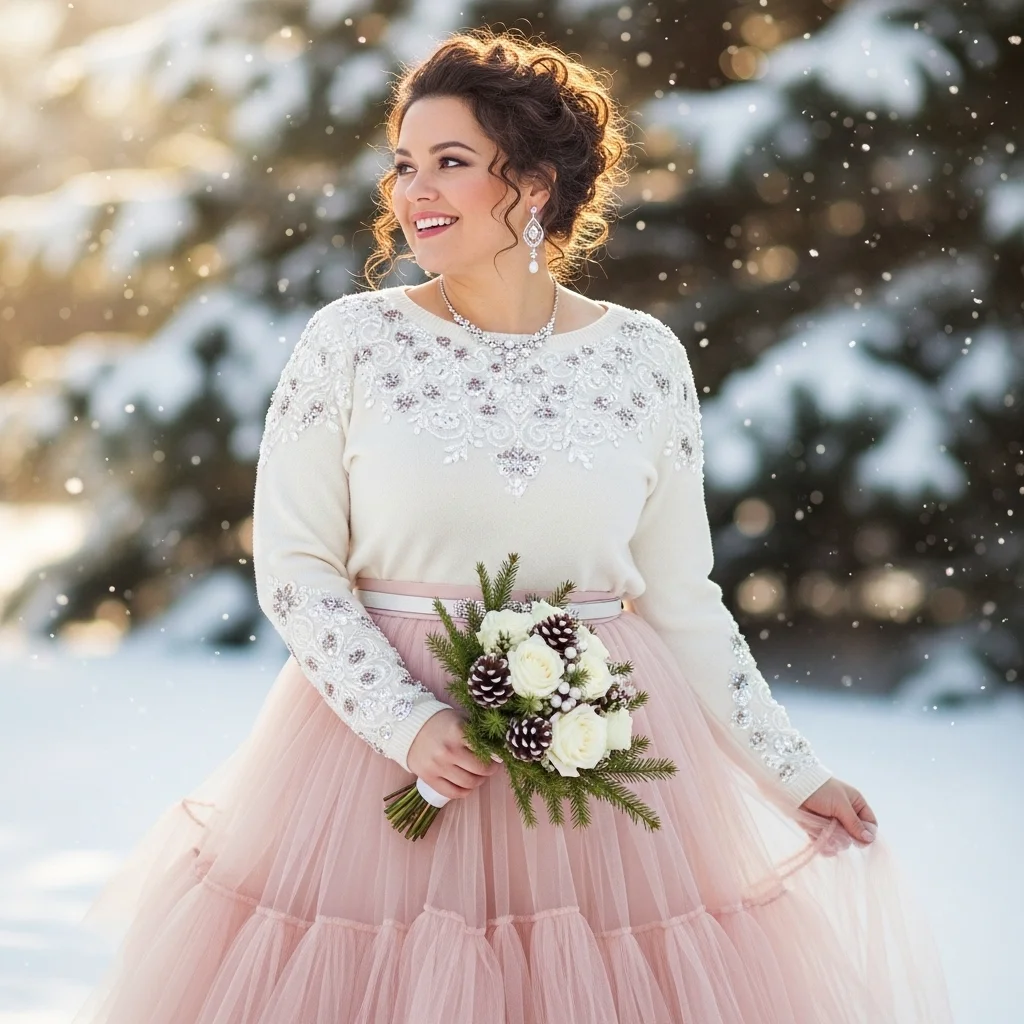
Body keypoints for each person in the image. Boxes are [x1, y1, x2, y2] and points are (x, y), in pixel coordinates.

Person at [74, 27, 954, 1024]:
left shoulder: (644, 359)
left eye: (450, 162)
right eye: (404, 164)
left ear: (533, 184)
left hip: (602, 756)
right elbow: (296, 569)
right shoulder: (352, 342)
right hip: (375, 766)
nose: (414, 191)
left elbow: (681, 598)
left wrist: (792, 771)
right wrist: (405, 721)